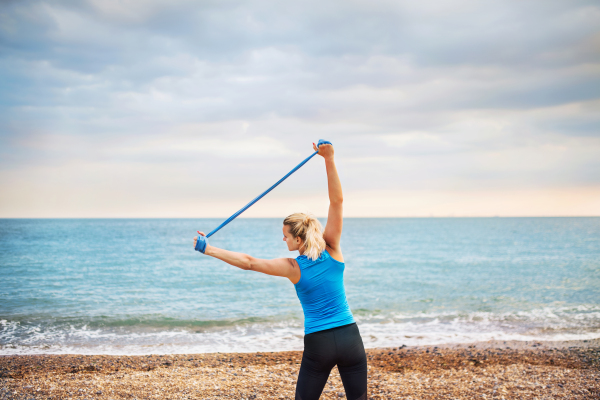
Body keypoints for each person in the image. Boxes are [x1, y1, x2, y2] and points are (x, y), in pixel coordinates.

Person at [194, 142, 368, 400]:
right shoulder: (332, 248)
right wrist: (329, 158)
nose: (283, 240)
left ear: (298, 240)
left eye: (286, 236)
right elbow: (337, 202)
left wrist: (209, 249)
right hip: (350, 337)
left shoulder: (293, 267)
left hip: (319, 343)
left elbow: (250, 262)